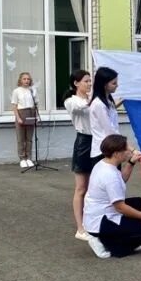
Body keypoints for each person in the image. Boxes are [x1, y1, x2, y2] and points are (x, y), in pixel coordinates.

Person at [83, 134, 141, 259]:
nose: (129, 152)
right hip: (101, 222)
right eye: (126, 150)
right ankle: (105, 242)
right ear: (117, 153)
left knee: (137, 202)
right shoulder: (109, 175)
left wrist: (131, 162)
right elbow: (120, 207)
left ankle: (124, 237)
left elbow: (121, 180)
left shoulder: (104, 163)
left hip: (99, 213)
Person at [64, 69, 94, 241]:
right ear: (76, 83)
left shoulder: (92, 99)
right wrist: (98, 98)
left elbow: (104, 108)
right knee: (81, 187)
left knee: (95, 186)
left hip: (97, 142)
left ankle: (92, 223)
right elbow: (83, 107)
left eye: (90, 81)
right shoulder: (71, 101)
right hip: (83, 142)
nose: (89, 84)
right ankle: (80, 228)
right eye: (86, 81)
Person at [89, 67, 122, 165]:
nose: (117, 85)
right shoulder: (98, 104)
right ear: (104, 85)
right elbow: (109, 130)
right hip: (103, 151)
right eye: (114, 83)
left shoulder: (108, 101)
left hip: (111, 148)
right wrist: (128, 148)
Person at [11, 72, 36, 169]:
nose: (26, 81)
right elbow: (14, 105)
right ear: (20, 80)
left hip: (31, 112)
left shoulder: (32, 91)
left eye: (28, 79)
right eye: (24, 79)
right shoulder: (17, 91)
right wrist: (18, 118)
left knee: (29, 138)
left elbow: (35, 104)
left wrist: (36, 116)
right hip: (21, 114)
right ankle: (22, 158)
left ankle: (29, 157)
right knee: (21, 139)